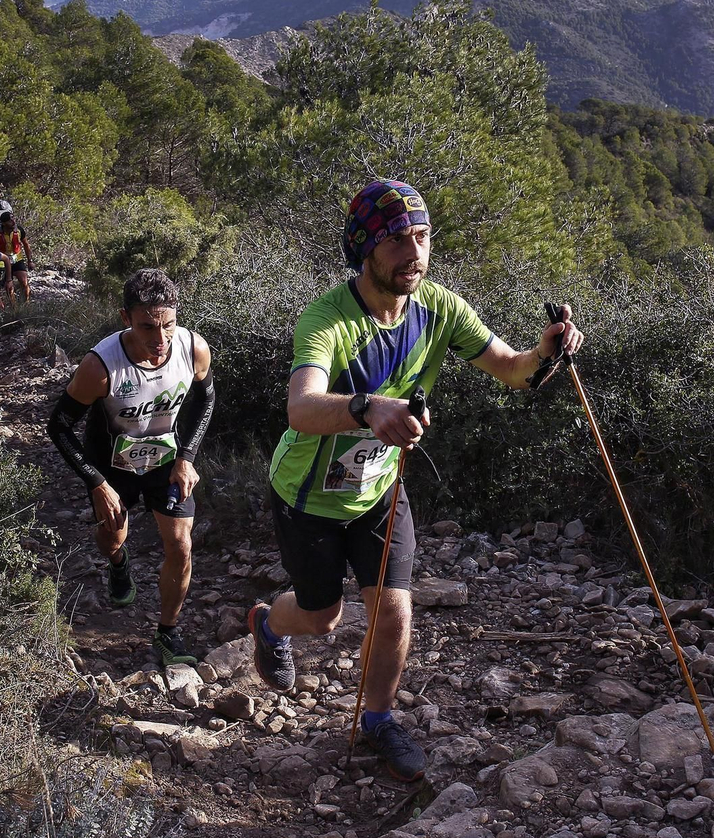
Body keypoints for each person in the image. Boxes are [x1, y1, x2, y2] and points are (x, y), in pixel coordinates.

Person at [248, 179, 584, 783]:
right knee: (323, 618)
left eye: (422, 236)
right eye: (398, 239)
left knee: (395, 611)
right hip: (308, 495)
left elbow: (512, 372)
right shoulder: (327, 319)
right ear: (366, 249)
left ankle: (378, 720)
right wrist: (367, 407)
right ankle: (270, 623)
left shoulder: (440, 308)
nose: (415, 253)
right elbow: (301, 408)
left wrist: (545, 353)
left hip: (379, 488)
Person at [46, 269, 215, 670]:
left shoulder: (193, 349)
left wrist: (187, 456)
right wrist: (97, 483)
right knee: (113, 537)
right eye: (147, 327)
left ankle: (167, 632)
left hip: (165, 463)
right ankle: (118, 563)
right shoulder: (100, 367)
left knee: (181, 544)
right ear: (126, 318)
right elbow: (58, 426)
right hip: (112, 467)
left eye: (168, 324)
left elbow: (205, 402)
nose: (160, 339)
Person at [0, 212, 32, 303]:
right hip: (4, 261)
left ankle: (26, 303)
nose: (13, 221)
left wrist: (30, 261)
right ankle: (14, 308)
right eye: (10, 220)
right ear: (4, 223)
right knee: (9, 286)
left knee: (24, 282)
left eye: (13, 218)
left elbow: (26, 245)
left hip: (17, 259)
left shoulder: (19, 230)